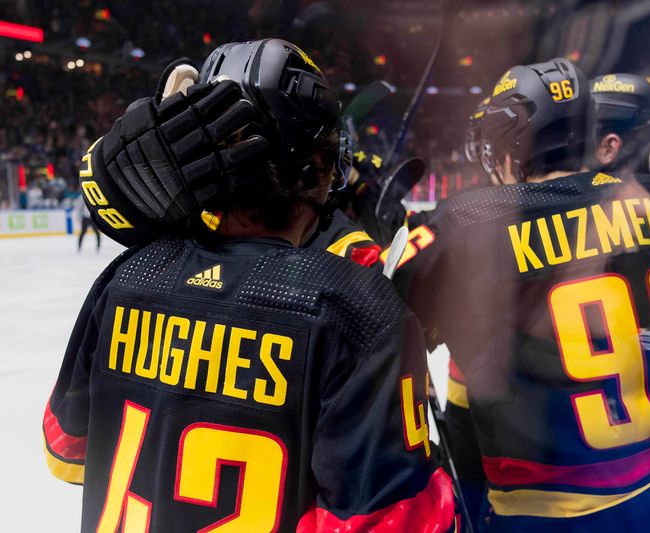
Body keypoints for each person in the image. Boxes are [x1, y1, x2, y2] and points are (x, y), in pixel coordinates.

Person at [43, 38, 455, 532]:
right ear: (316, 169)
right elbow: (403, 521)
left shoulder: (126, 277)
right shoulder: (358, 309)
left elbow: (64, 451)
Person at [390, 58, 650, 532]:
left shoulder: (467, 223)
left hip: (536, 515)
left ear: (511, 140)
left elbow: (377, 314)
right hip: (644, 499)